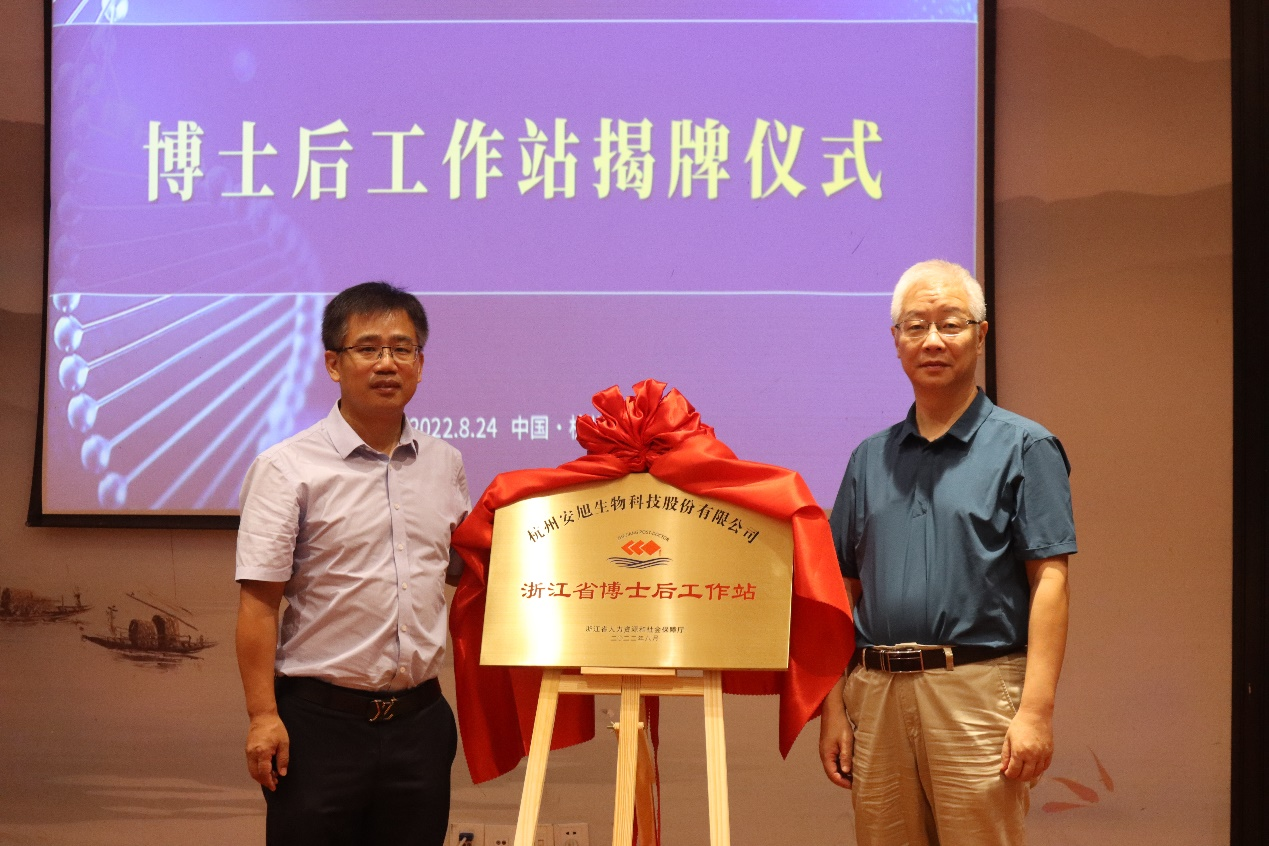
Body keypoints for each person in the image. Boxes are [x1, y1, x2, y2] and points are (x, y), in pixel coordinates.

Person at [818, 260, 1076, 845]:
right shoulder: (868, 458)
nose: (932, 340)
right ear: (896, 341)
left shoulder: (1026, 447)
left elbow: (1050, 582)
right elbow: (840, 590)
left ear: (980, 336)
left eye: (950, 324)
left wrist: (1036, 711)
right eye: (916, 326)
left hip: (978, 692)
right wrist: (832, 707)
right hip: (875, 694)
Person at [235, 281, 470, 846]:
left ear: (420, 364)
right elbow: (259, 604)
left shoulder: (445, 463)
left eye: (402, 348)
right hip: (319, 726)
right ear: (333, 364)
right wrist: (263, 717)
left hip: (421, 723)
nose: (387, 363)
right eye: (368, 348)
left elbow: (460, 567)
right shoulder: (286, 468)